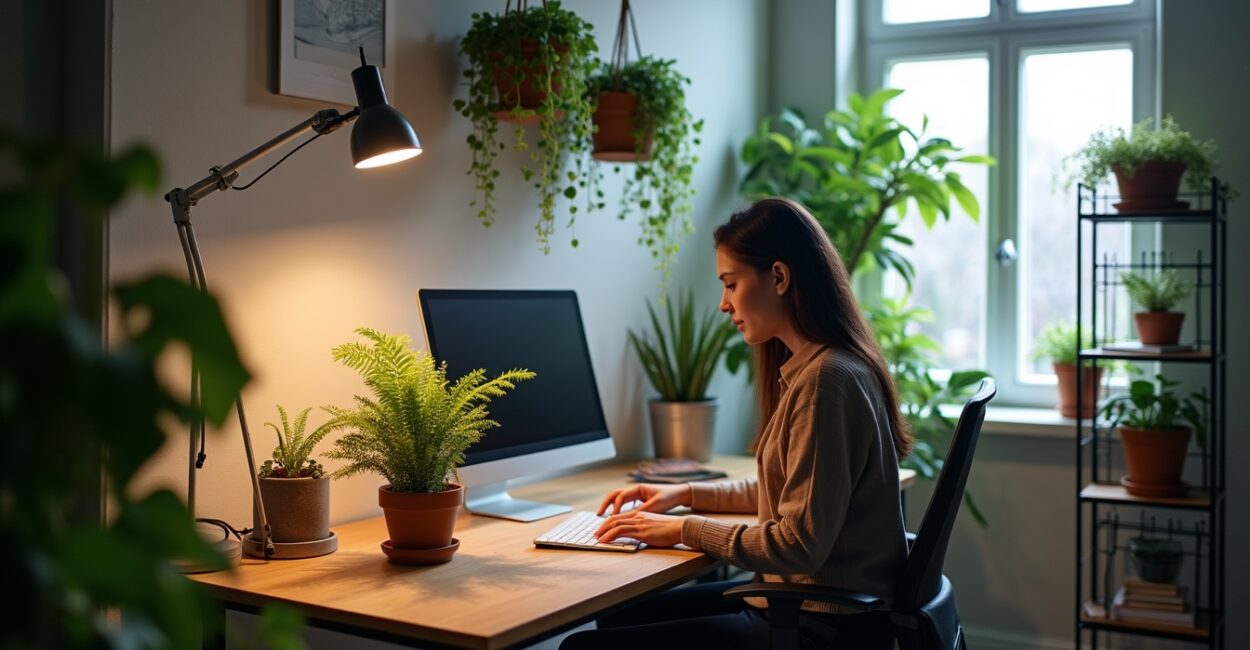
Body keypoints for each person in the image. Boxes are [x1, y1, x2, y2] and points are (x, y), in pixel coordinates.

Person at [560, 198, 911, 650]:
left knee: (580, 647)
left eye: (731, 283)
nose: (724, 304)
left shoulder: (827, 381)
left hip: (821, 625)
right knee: (622, 615)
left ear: (779, 278)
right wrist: (685, 495)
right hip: (806, 604)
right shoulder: (819, 368)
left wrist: (684, 529)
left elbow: (798, 544)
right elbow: (789, 496)